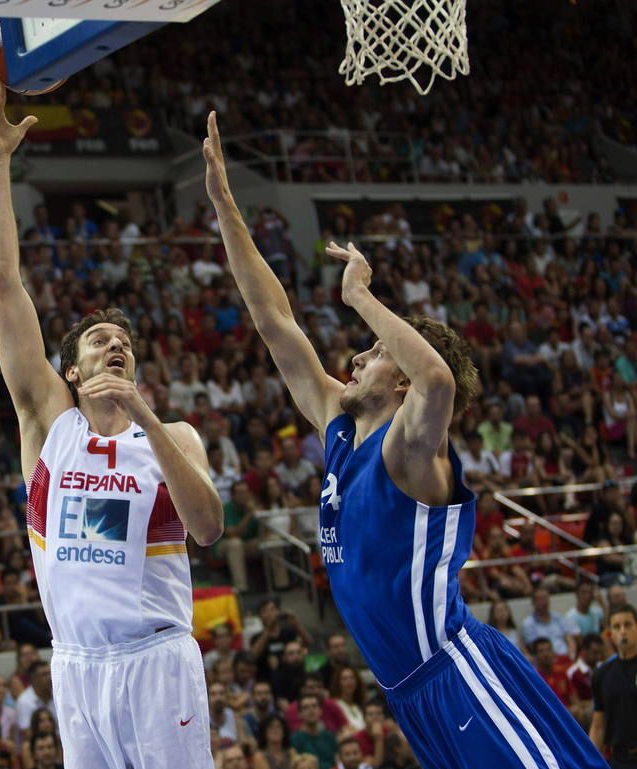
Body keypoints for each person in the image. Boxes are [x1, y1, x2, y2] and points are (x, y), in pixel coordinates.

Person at [204, 111, 609, 769]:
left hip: (456, 671)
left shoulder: (410, 448)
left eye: (374, 353)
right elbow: (274, 320)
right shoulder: (339, 425)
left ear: (401, 382)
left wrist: (362, 297)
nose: (356, 358)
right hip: (407, 695)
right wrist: (225, 205)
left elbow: (438, 379)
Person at [0, 71, 223, 769]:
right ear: (72, 373)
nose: (116, 345)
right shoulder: (48, 425)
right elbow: (2, 286)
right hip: (76, 666)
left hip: (158, 660)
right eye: (98, 341)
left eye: (125, 342)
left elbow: (208, 528)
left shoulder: (174, 437)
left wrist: (142, 412)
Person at [590, 605, 637, 768]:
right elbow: (598, 726)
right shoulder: (601, 675)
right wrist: (589, 761)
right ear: (610, 634)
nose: (623, 631)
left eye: (628, 625)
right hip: (618, 759)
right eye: (617, 627)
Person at [289, 695, 338, 769]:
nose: (311, 710)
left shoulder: (330, 737)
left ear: (321, 711)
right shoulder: (294, 740)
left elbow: (338, 762)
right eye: (306, 707)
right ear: (299, 714)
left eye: (314, 706)